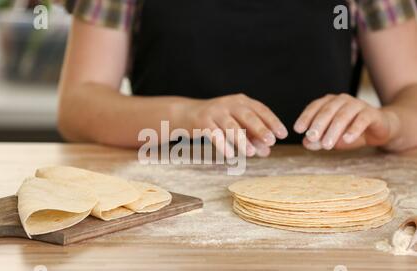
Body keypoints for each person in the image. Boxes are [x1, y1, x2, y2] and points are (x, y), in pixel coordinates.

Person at [58, 0, 417, 158]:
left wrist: (392, 122)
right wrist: (187, 116)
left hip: (327, 205)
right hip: (164, 198)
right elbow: (79, 103)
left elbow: (409, 90)